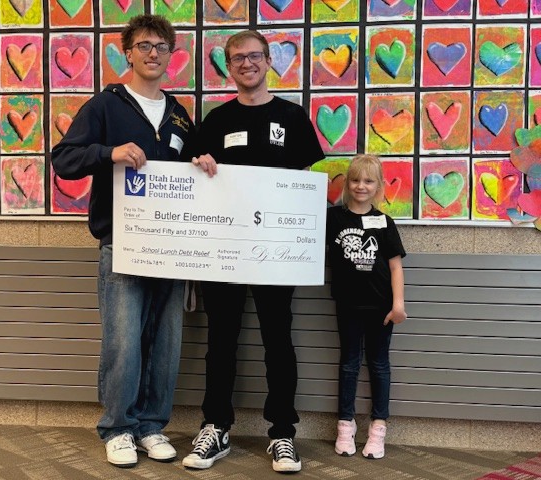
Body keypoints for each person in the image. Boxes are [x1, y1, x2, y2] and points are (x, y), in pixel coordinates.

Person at [51, 14, 195, 469]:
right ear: (127, 53)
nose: (153, 53)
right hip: (122, 243)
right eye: (144, 46)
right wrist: (107, 153)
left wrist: (203, 163)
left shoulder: (179, 114)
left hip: (171, 247)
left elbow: (192, 174)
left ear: (171, 55)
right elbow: (63, 158)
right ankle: (117, 428)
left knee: (165, 342)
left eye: (161, 46)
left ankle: (151, 426)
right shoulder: (105, 105)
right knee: (124, 341)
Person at [182, 30, 325, 474]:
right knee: (221, 339)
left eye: (254, 56)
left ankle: (282, 433)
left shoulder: (292, 116)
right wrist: (198, 164)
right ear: (228, 67)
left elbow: (309, 179)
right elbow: (192, 176)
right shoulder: (216, 120)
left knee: (278, 339)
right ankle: (216, 427)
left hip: (276, 251)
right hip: (223, 249)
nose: (247, 64)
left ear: (269, 60)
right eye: (238, 58)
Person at [326, 154, 407, 460]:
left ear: (378, 186)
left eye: (369, 181)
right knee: (349, 364)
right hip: (348, 306)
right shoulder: (333, 218)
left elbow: (396, 267)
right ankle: (345, 426)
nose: (361, 186)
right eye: (355, 180)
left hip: (381, 308)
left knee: (379, 364)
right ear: (347, 183)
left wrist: (398, 304)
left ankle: (378, 428)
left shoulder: (385, 223)